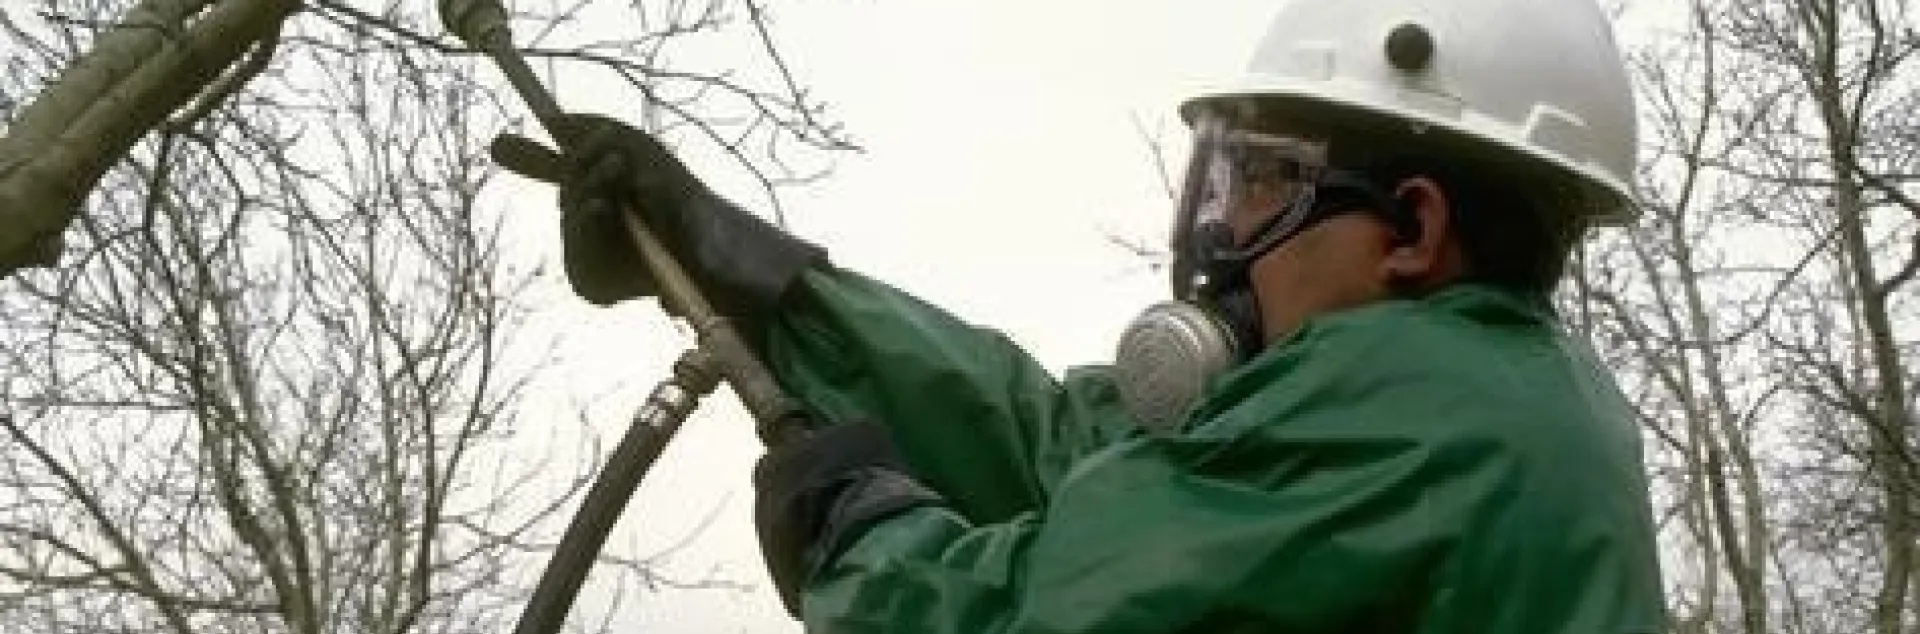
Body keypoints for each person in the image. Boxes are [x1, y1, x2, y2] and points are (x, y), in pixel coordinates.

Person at [497, 0, 1668, 631]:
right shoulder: (1499, 398)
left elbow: (1026, 616)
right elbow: (1070, 448)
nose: (1222, 234)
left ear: (1410, 231)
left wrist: (859, 538)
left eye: (1265, 181)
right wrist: (763, 280)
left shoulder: (1410, 415)